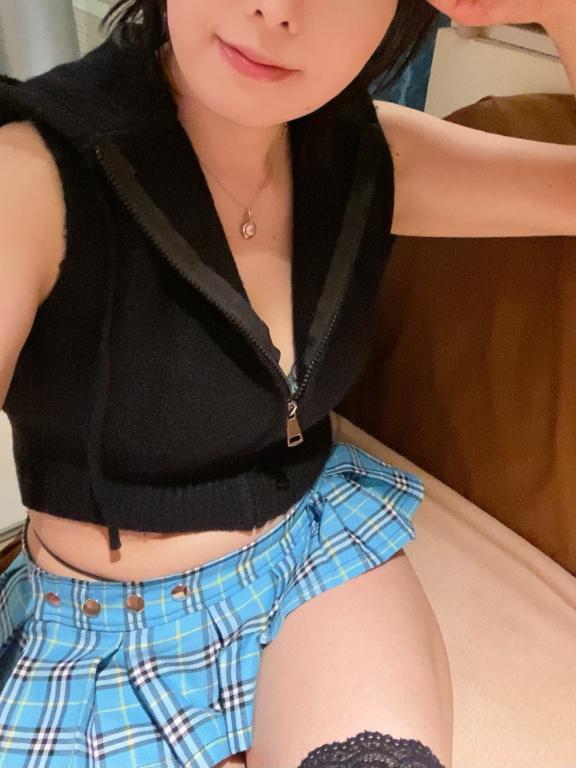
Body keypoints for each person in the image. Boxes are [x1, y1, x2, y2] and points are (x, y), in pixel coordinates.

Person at [0, 0, 573, 766]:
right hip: (89, 631)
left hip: (308, 560)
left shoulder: (368, 156)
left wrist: (558, 8)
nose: (274, 9)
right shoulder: (32, 171)